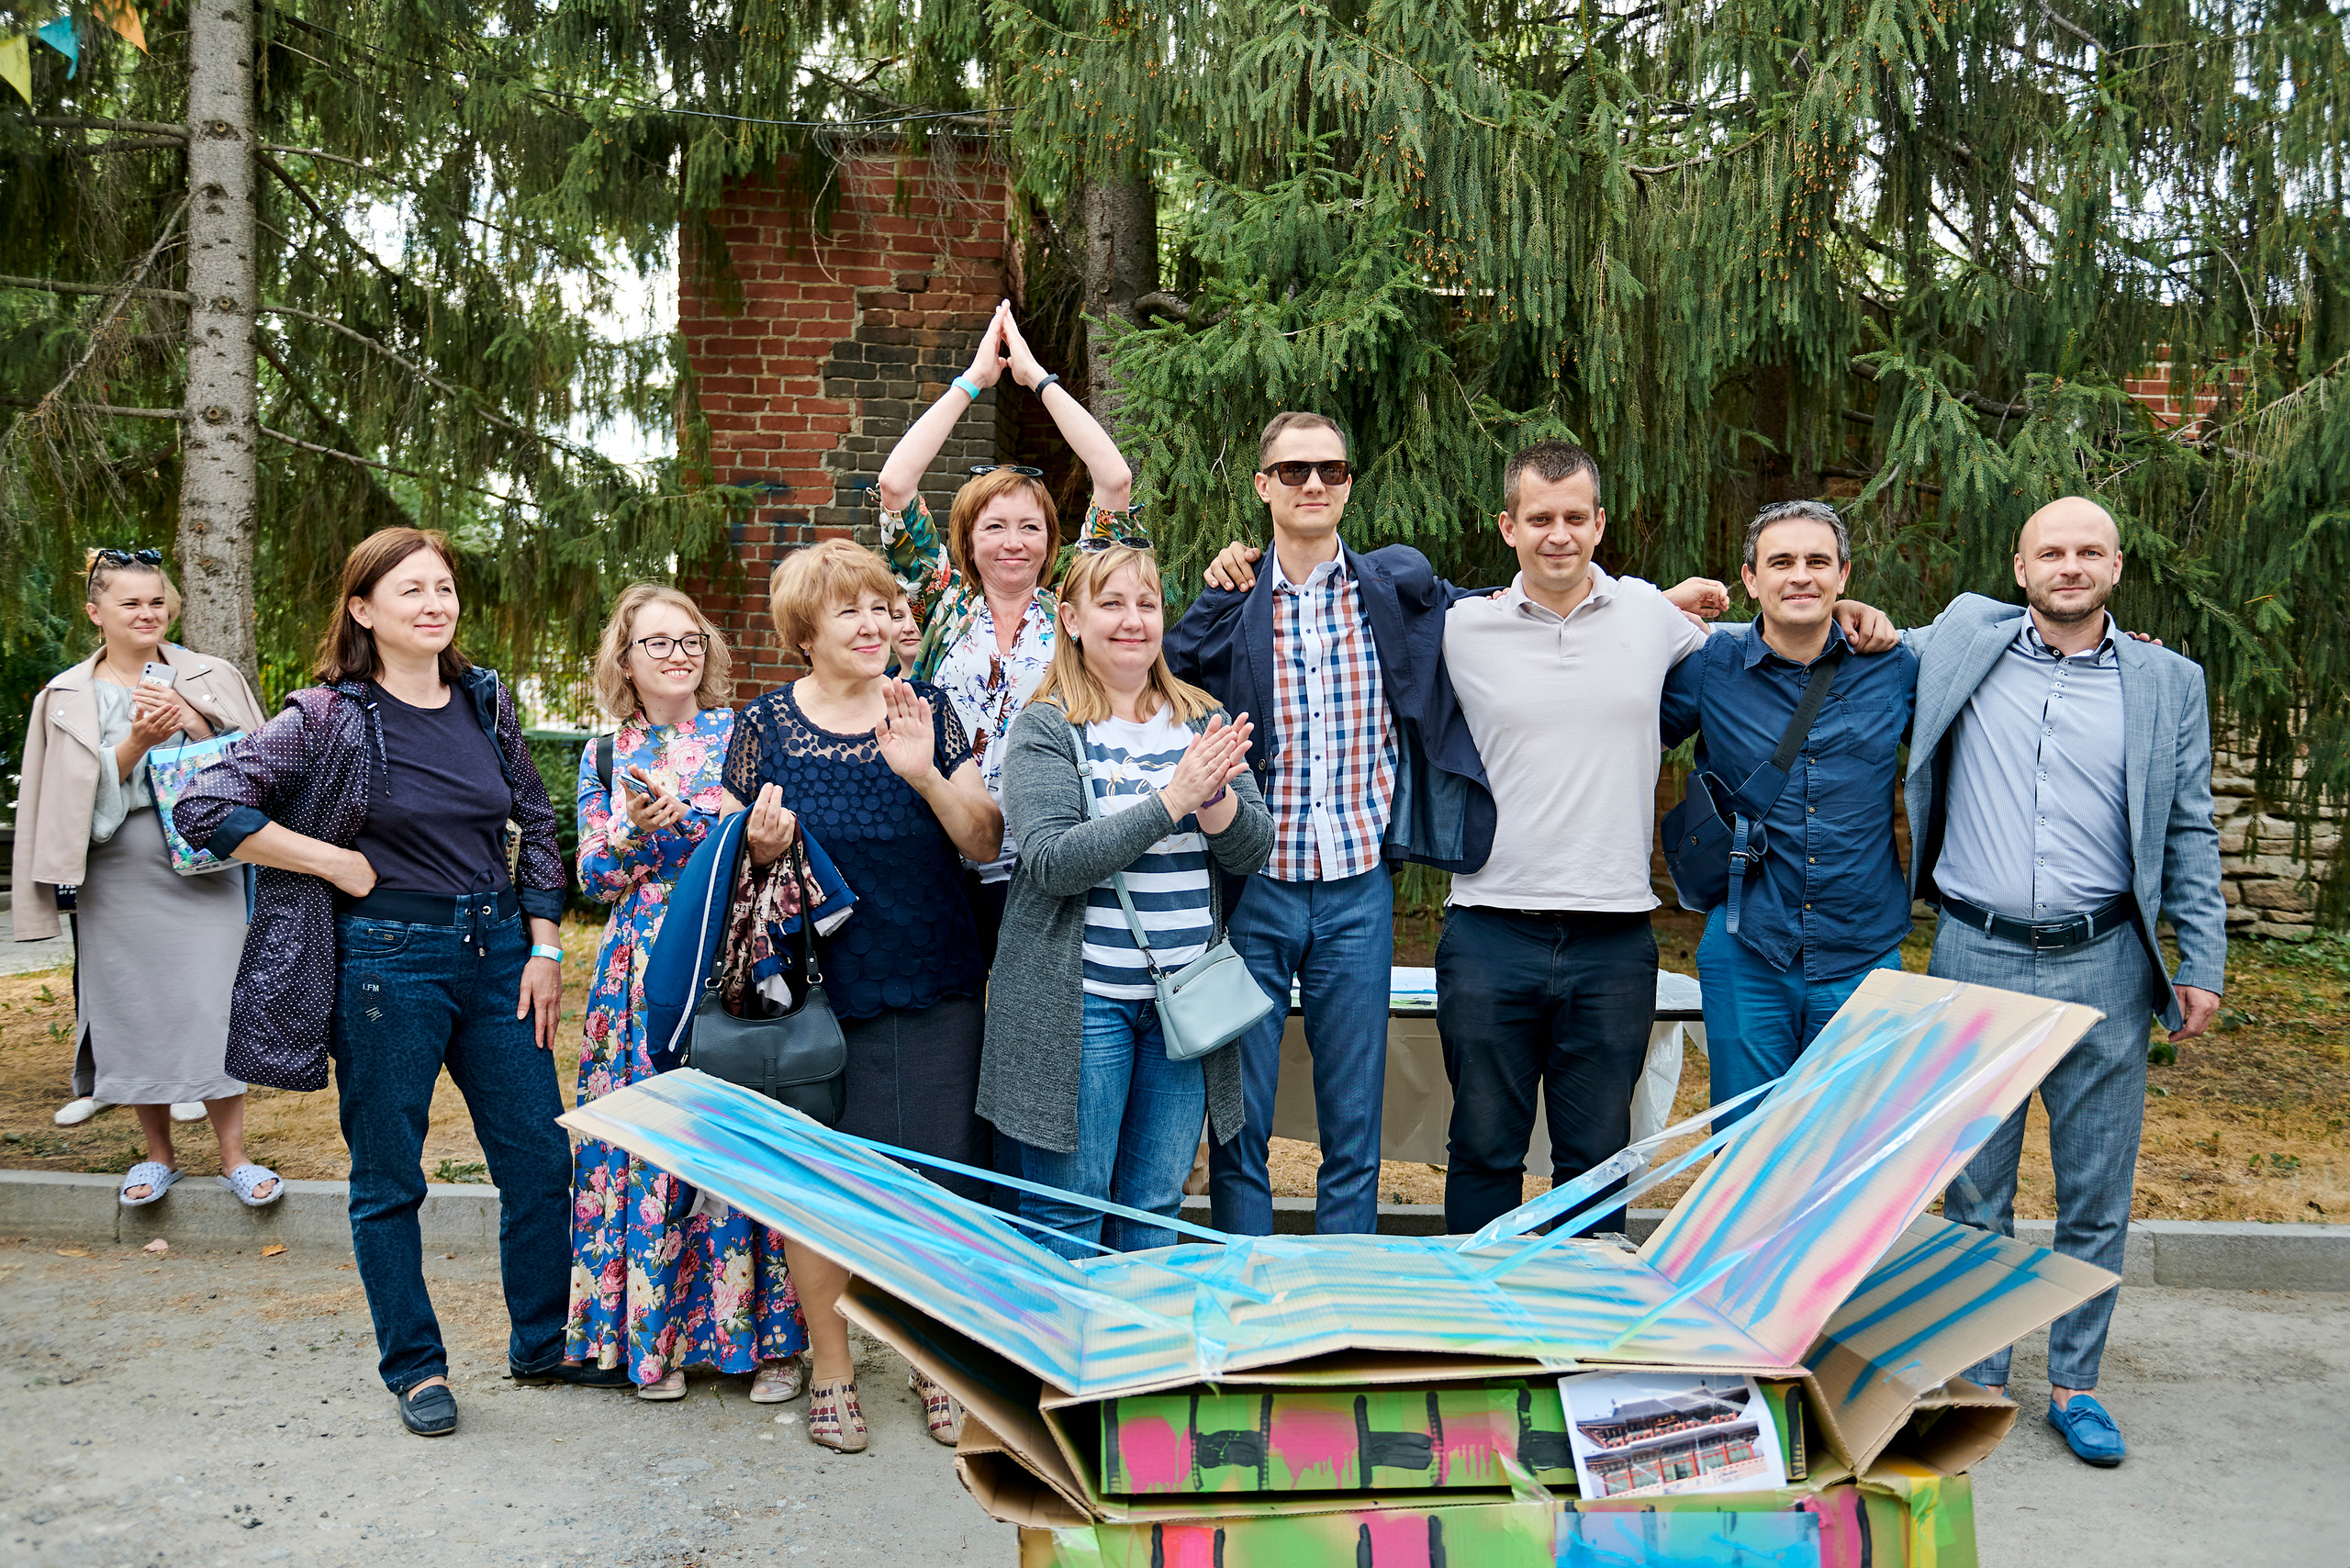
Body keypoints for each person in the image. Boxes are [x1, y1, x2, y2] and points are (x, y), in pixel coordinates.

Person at [1173, 420, 1734, 1236]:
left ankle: (1348, 1316)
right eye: (1292, 469)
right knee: (1247, 1126)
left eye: (1331, 467)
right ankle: (1255, 1305)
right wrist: (1218, 582)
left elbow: (1509, 605)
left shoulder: (1396, 590)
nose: (1313, 483)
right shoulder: (1236, 605)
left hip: (1366, 891)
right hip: (1264, 889)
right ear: (1263, 485)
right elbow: (1167, 669)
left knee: (1361, 1132)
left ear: (1350, 482)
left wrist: (1668, 601)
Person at [173, 527, 607, 1440]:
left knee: (539, 1157)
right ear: (363, 609)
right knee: (388, 1177)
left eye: (443, 587)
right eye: (409, 589)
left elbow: (534, 817)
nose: (433, 603)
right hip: (387, 965)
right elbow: (205, 805)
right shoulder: (326, 716)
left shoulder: (486, 703)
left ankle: (541, 1341)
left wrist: (544, 946)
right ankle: (416, 1367)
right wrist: (331, 859)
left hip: (498, 960)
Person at [1902, 496, 2224, 1467]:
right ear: (2019, 566)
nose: (2070, 565)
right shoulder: (1964, 639)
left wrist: (2199, 957)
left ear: (2116, 568)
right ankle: (1979, 1374)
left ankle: (2076, 1384)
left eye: (2089, 551)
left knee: (2094, 1189)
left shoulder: (2169, 681)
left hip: (2104, 960)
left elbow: (2190, 828)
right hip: (1976, 950)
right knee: (1974, 1190)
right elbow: (1845, 624)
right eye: (2053, 550)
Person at [721, 538, 1004, 1452]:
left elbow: (983, 838)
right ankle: (833, 1365)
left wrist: (922, 769)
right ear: (807, 629)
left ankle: (930, 1360)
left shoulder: (932, 710)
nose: (875, 623)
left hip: (932, 977)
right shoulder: (764, 725)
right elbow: (736, 865)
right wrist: (760, 852)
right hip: (814, 993)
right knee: (819, 1187)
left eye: (883, 607)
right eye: (852, 610)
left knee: (933, 1184)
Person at [984, 544, 1273, 1257]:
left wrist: (1213, 807)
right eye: (1112, 604)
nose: (1132, 621)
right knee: (1069, 1209)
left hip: (1182, 1005)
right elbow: (1051, 861)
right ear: (1073, 618)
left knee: (1155, 1206)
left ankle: (1133, 1366)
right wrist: (1173, 799)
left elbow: (1252, 850)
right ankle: (1061, 1368)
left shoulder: (1200, 716)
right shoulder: (1047, 727)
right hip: (1079, 1008)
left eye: (1146, 604)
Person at [565, 585, 809, 1404]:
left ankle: (769, 1343)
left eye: (691, 640)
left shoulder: (745, 738)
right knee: (656, 1145)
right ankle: (654, 1343)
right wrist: (638, 830)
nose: (678, 655)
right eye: (658, 643)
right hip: (639, 973)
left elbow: (772, 842)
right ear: (625, 662)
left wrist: (695, 826)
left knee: (746, 1140)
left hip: (732, 955)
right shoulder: (603, 756)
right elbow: (594, 878)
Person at [878, 299, 1137, 965]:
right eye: (995, 527)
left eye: (1031, 527)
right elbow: (896, 483)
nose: (1014, 543)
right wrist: (972, 382)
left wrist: (1038, 379)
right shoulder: (943, 600)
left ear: (1052, 540)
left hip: (1046, 858)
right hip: (940, 842)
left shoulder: (1072, 609)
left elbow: (1114, 479)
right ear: (967, 539)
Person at [11, 549, 274, 1205]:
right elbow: (59, 800)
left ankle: (235, 1156)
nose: (147, 613)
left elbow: (266, 761)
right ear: (96, 614)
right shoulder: (65, 696)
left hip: (204, 865)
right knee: (132, 1010)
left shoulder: (211, 675)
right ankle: (156, 1157)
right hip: (117, 874)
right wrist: (131, 745)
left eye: (156, 601)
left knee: (213, 1005)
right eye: (130, 603)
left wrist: (194, 722)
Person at [1658, 501, 1917, 1128]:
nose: (1800, 575)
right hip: (1750, 947)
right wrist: (1655, 609)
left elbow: (2002, 652)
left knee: (1848, 1156)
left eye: (1817, 561)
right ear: (1751, 580)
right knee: (1746, 1153)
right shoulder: (1709, 667)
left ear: (1844, 575)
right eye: (1781, 562)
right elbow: (1605, 706)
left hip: (1863, 951)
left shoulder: (1898, 668)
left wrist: (2132, 654)